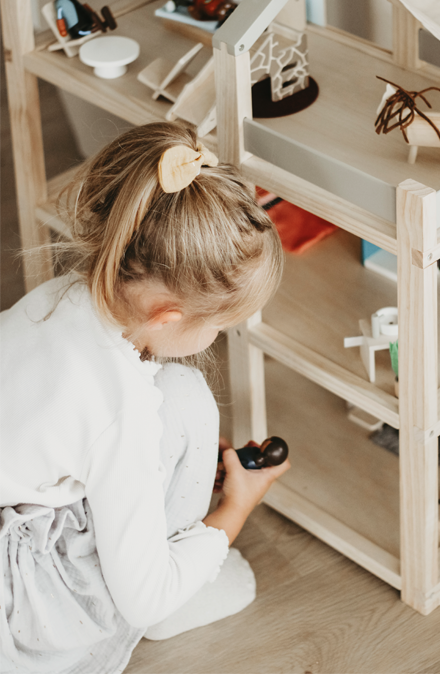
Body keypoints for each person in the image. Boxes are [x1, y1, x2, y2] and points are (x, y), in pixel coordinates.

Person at [0, 122, 290, 673]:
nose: (217, 338)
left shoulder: (60, 295)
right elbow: (144, 596)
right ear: (168, 316)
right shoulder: (121, 415)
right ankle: (181, 582)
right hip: (14, 596)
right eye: (222, 327)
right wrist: (234, 509)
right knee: (183, 394)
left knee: (177, 394)